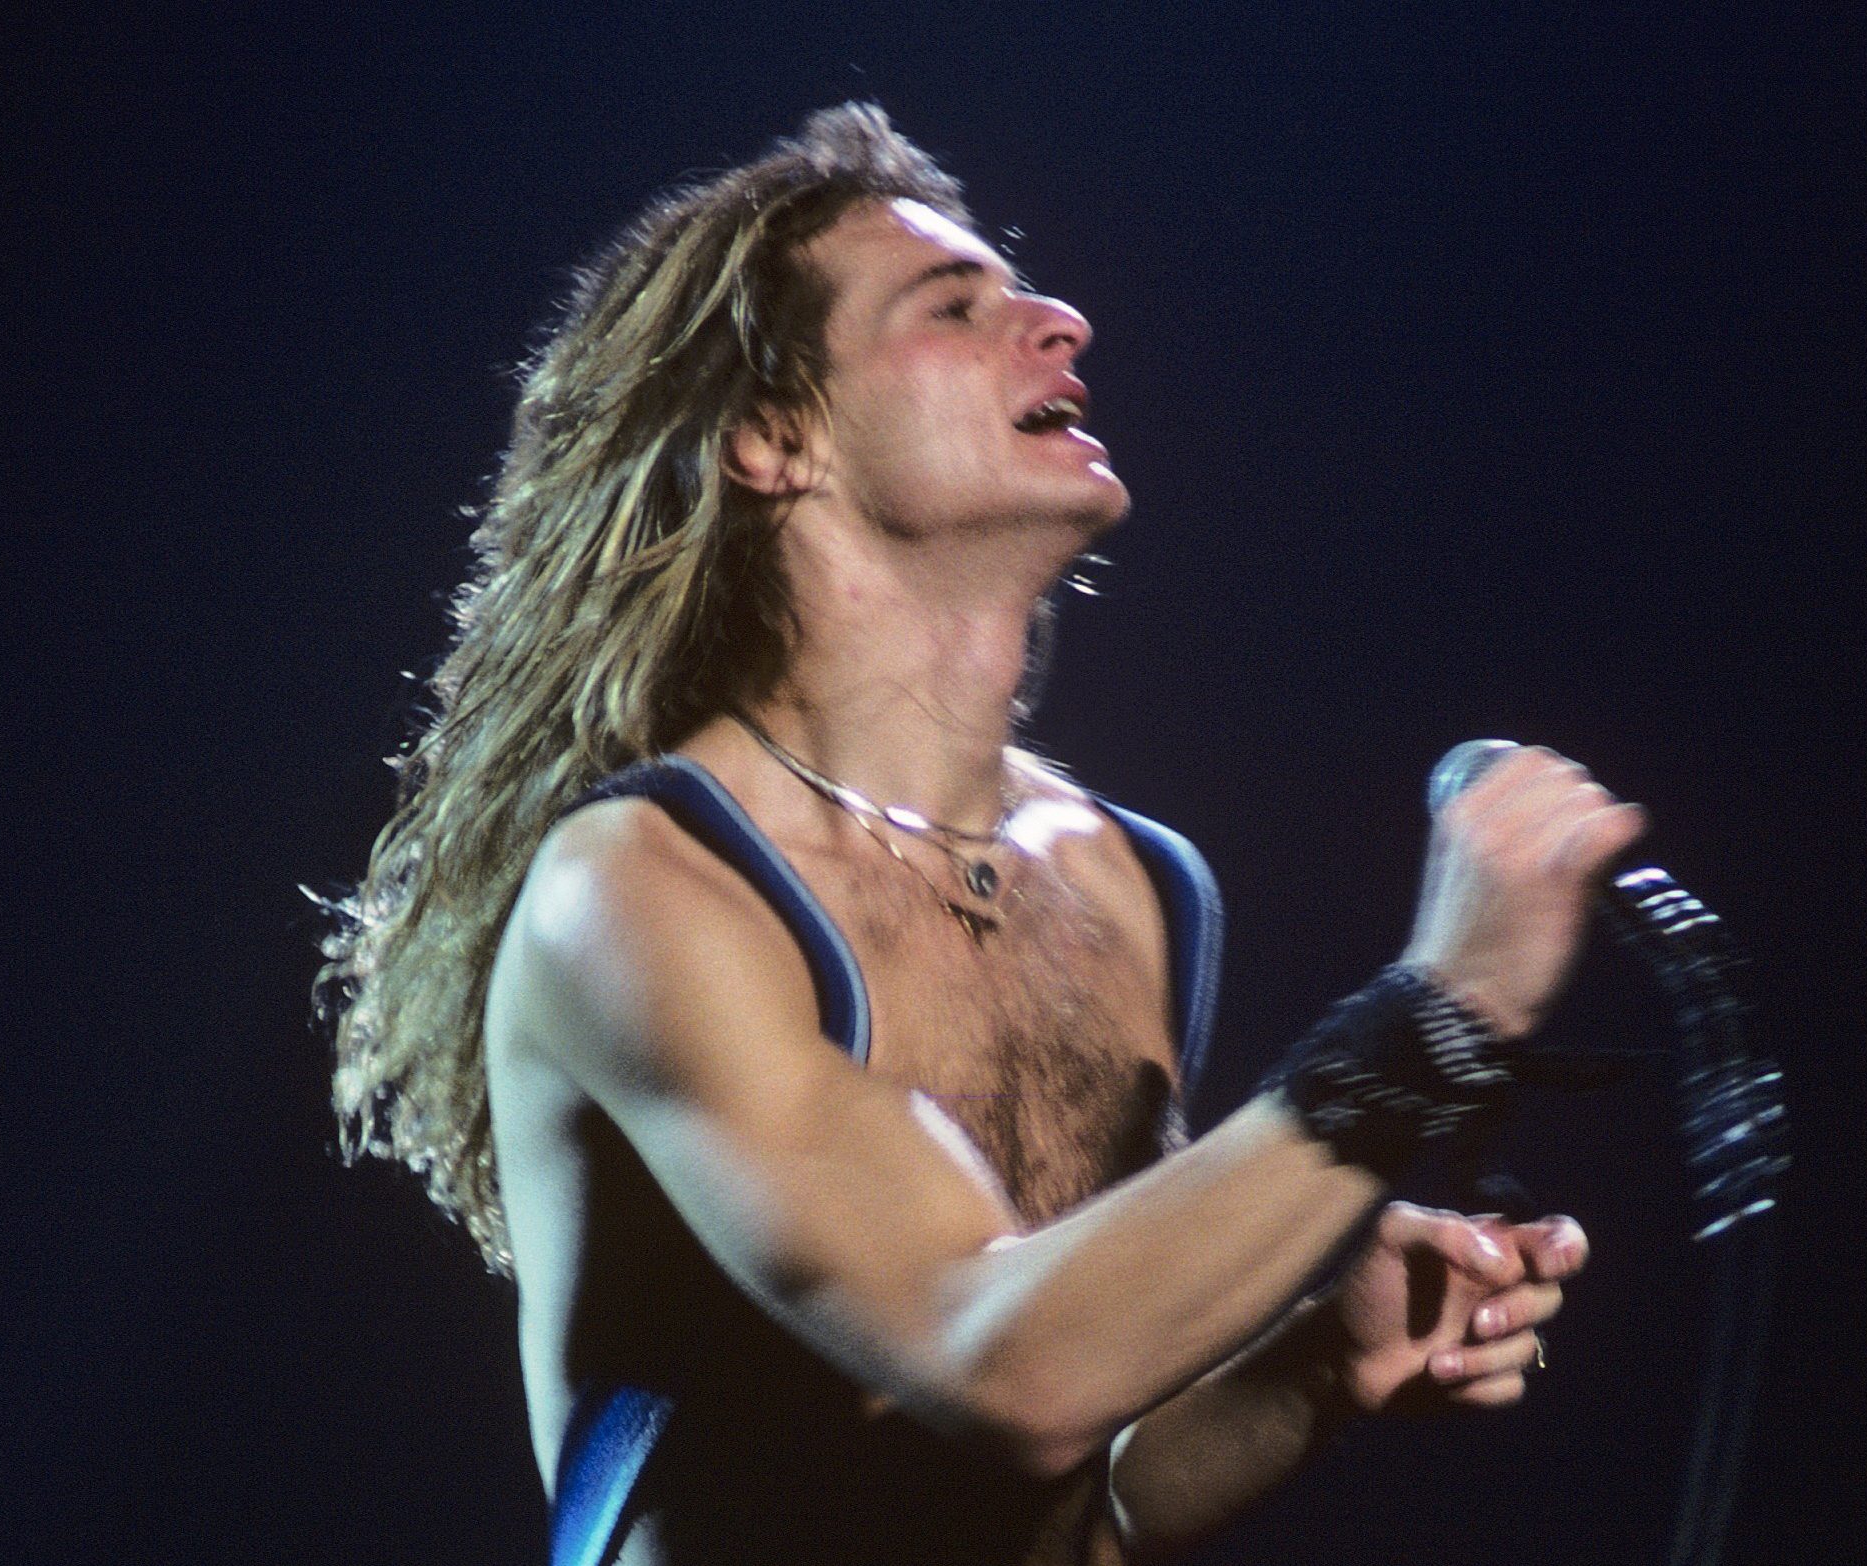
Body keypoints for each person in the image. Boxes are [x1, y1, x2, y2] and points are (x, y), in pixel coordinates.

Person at [322, 104, 1648, 1565]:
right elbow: (1004, 1365)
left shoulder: (1125, 879)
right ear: (773, 438)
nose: (1060, 321)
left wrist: (1307, 1367)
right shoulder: (640, 888)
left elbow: (1085, 1497)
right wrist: (1439, 1014)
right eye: (953, 306)